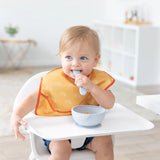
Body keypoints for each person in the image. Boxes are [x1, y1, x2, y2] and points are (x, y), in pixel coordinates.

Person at [11, 25, 115, 160]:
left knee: (105, 143)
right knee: (61, 149)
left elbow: (109, 104)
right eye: (69, 57)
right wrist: (16, 115)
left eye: (83, 58)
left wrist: (92, 87)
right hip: (57, 133)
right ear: (61, 57)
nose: (75, 64)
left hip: (89, 132)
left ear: (95, 60)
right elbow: (33, 98)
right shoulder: (55, 81)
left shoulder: (96, 80)